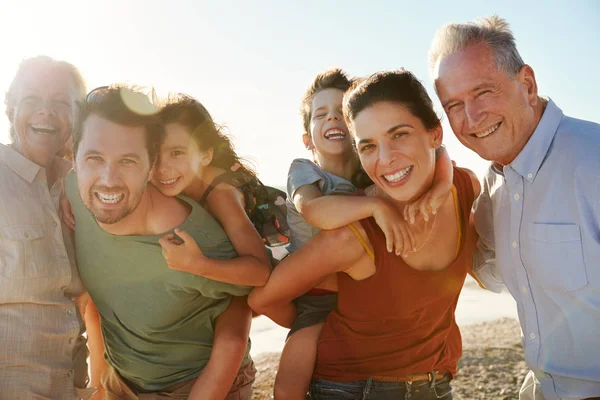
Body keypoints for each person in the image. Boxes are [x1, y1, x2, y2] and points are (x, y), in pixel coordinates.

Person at [250, 69, 480, 400]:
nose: (386, 159)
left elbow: (446, 161)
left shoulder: (461, 187)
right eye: (370, 145)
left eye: (399, 134)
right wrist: (318, 326)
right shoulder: (346, 221)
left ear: (435, 133)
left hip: (436, 385)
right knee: (293, 368)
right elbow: (264, 296)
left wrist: (443, 185)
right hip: (351, 385)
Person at [430, 15, 600, 400]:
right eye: (454, 104)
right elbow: (494, 277)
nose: (471, 118)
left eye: (483, 92)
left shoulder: (594, 159)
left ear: (527, 84)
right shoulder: (493, 186)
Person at [64, 86, 255, 399]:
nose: (108, 178)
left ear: (150, 165)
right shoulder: (75, 190)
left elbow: (242, 304)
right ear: (74, 159)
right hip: (122, 381)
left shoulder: (192, 242)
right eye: (94, 158)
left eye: (127, 160)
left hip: (198, 384)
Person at [0, 56, 93, 399]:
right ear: (10, 109)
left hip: (73, 384)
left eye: (60, 103)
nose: (46, 112)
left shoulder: (85, 188)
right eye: (32, 100)